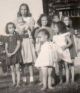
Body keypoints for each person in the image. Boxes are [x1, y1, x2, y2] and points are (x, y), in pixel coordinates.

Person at [17, 3, 36, 83]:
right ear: (19, 10)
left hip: (27, 40)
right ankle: (24, 79)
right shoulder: (17, 19)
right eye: (22, 9)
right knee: (22, 61)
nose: (23, 11)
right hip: (20, 41)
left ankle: (31, 78)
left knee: (29, 60)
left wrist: (26, 28)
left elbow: (31, 29)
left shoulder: (30, 19)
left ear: (27, 10)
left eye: (25, 9)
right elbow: (15, 30)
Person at [5, 22, 21, 87]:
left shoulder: (17, 35)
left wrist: (14, 52)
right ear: (7, 29)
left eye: (12, 27)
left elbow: (18, 44)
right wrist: (7, 53)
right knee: (12, 69)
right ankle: (14, 82)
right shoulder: (7, 37)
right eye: (9, 28)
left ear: (14, 28)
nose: (11, 29)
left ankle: (18, 83)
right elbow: (6, 46)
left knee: (17, 68)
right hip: (9, 55)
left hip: (15, 53)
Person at [62, 16, 77, 83]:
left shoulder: (72, 29)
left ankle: (73, 79)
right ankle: (67, 79)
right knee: (66, 65)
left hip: (71, 48)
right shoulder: (62, 30)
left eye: (67, 20)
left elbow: (74, 40)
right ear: (62, 21)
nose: (66, 21)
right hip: (65, 49)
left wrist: (76, 48)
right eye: (65, 20)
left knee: (72, 64)